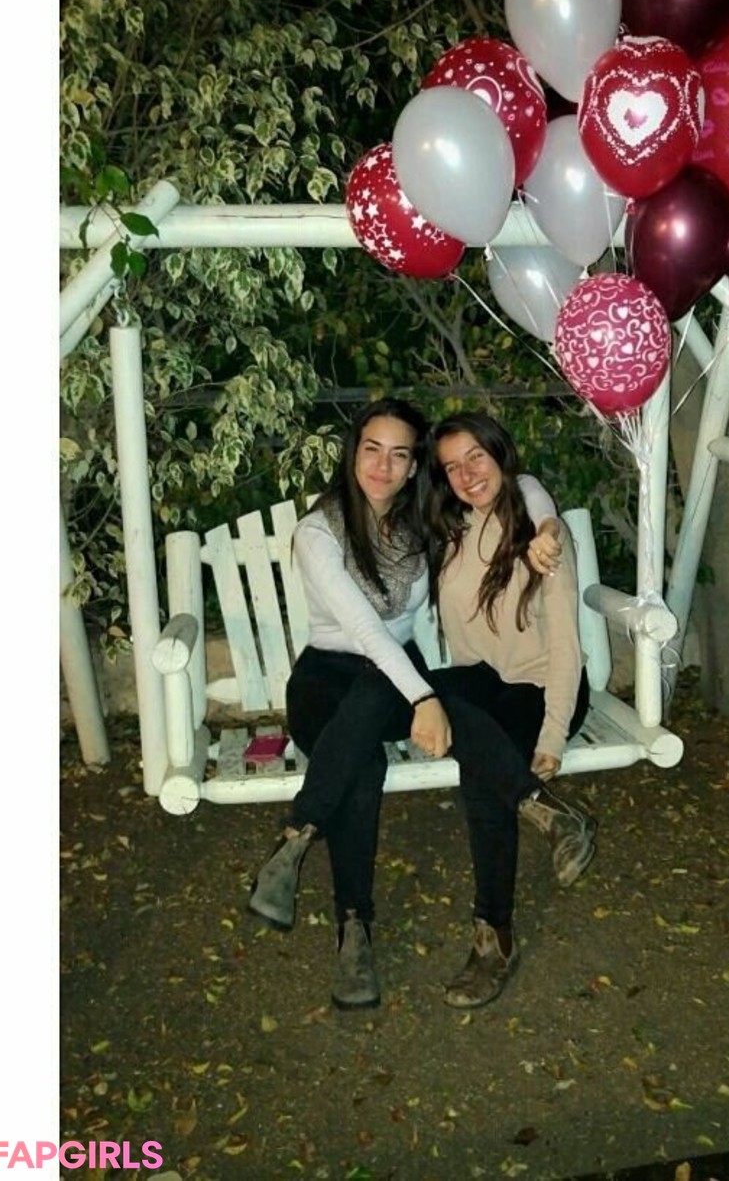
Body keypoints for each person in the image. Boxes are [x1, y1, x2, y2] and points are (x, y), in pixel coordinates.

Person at [246, 397, 562, 1012]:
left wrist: (548, 526)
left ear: (415, 466)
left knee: (400, 718)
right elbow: (365, 629)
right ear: (353, 453)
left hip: (394, 676)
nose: (383, 466)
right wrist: (422, 695)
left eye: (399, 455)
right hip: (327, 678)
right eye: (372, 449)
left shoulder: (424, 524)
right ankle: (353, 931)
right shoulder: (318, 532)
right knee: (363, 763)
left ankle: (294, 842)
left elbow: (519, 486)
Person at [425, 411, 597, 1009]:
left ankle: (492, 937)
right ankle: (546, 810)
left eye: (476, 456)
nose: (467, 474)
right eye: (452, 466)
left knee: (480, 773)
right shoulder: (451, 530)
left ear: (499, 453)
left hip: (543, 687)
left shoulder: (541, 536)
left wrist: (553, 734)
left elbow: (567, 646)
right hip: (485, 683)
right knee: (418, 692)